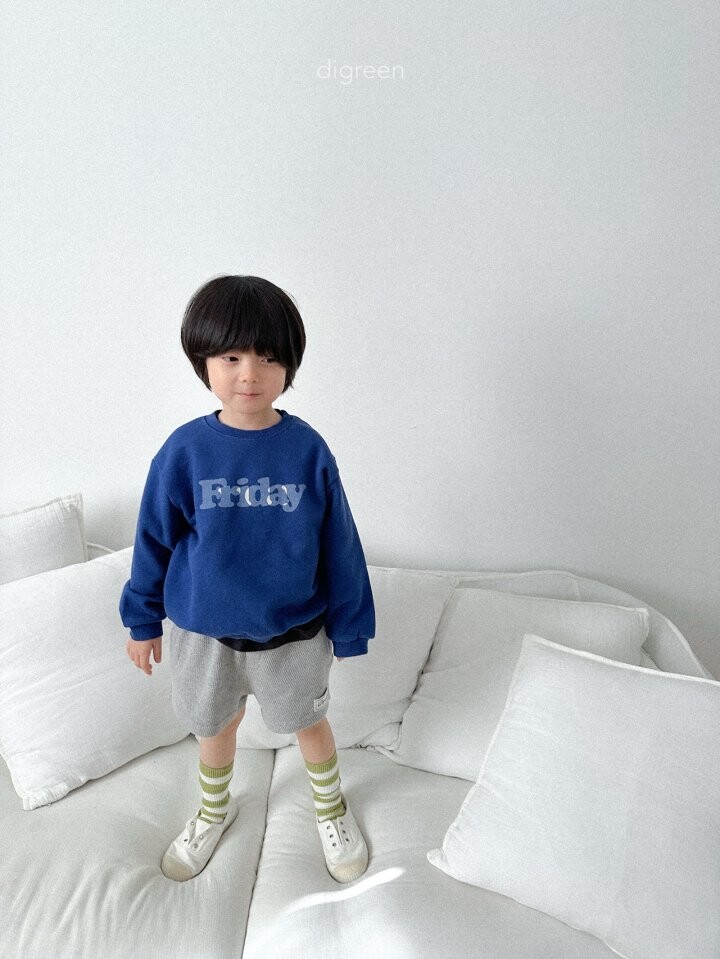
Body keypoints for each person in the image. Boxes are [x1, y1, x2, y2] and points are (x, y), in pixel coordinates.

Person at [119, 274, 375, 884]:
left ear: (289, 364)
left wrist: (351, 623)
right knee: (214, 728)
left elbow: (339, 543)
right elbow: (153, 538)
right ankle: (214, 811)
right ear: (203, 361)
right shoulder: (184, 451)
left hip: (293, 634)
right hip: (205, 635)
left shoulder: (307, 449)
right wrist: (141, 618)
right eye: (231, 357)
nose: (249, 374)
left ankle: (331, 809)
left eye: (267, 357)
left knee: (309, 722)